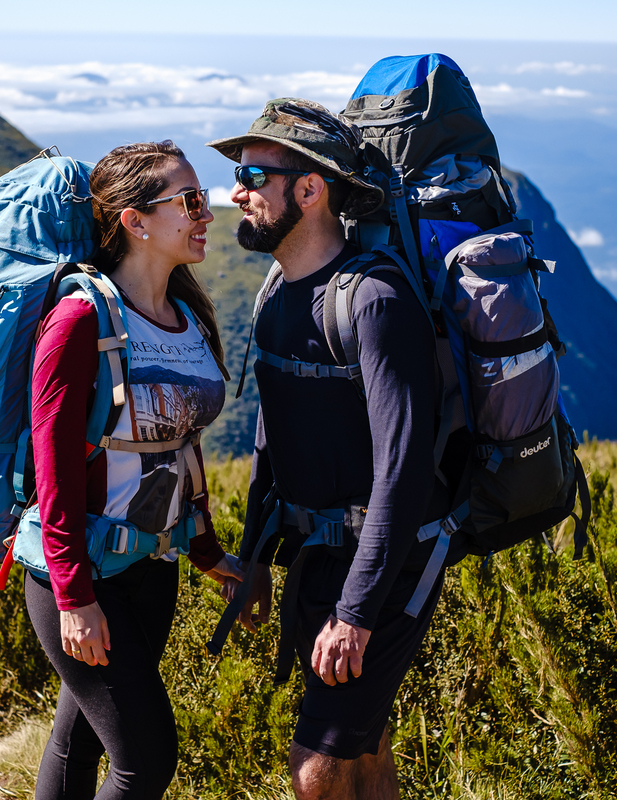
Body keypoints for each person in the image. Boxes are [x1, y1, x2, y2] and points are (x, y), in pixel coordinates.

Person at [207, 100, 458, 800]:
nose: (237, 192)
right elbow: (271, 439)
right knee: (364, 744)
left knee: (314, 768)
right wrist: (257, 560)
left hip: (391, 567)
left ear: (311, 189)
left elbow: (403, 472)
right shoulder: (277, 296)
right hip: (318, 557)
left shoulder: (375, 302)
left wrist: (355, 612)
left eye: (254, 174)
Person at [23, 141, 243, 800]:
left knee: (79, 740)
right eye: (191, 201)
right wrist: (74, 595)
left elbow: (182, 448)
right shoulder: (79, 319)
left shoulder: (186, 319)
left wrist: (205, 551)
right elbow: (53, 468)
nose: (208, 213)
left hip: (155, 566)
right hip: (87, 575)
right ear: (134, 221)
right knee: (146, 758)